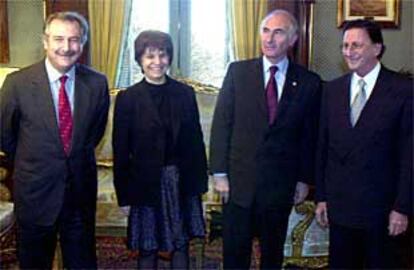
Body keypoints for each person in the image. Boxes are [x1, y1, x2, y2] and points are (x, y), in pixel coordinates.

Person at [210, 9, 321, 269]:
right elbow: (221, 124)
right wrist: (219, 172)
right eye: (266, 31)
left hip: (279, 185)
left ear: (292, 39)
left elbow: (309, 135)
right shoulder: (238, 73)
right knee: (235, 254)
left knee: (272, 255)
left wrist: (304, 178)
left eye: (278, 32)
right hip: (238, 183)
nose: (270, 39)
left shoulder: (308, 82)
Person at [0, 12, 109, 269]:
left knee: (82, 262)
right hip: (35, 192)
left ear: (82, 44)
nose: (66, 47)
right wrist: (37, 158)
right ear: (45, 41)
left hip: (80, 193)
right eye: (58, 38)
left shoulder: (97, 83)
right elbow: (5, 135)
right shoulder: (17, 83)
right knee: (34, 263)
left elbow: (94, 133)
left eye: (74, 40)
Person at [315, 19, 412, 269]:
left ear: (376, 48)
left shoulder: (403, 90)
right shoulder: (332, 90)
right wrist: (322, 198)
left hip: (383, 212)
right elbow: (323, 148)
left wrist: (402, 207)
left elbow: (409, 155)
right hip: (341, 209)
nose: (349, 51)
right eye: (345, 46)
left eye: (356, 45)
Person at [112, 30, 208, 269]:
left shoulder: (185, 94)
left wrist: (198, 187)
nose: (157, 62)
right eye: (149, 56)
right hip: (145, 183)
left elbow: (196, 143)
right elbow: (121, 150)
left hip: (180, 182)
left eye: (162, 55)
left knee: (180, 244)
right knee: (148, 246)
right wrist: (124, 195)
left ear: (169, 57)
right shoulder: (128, 98)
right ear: (139, 60)